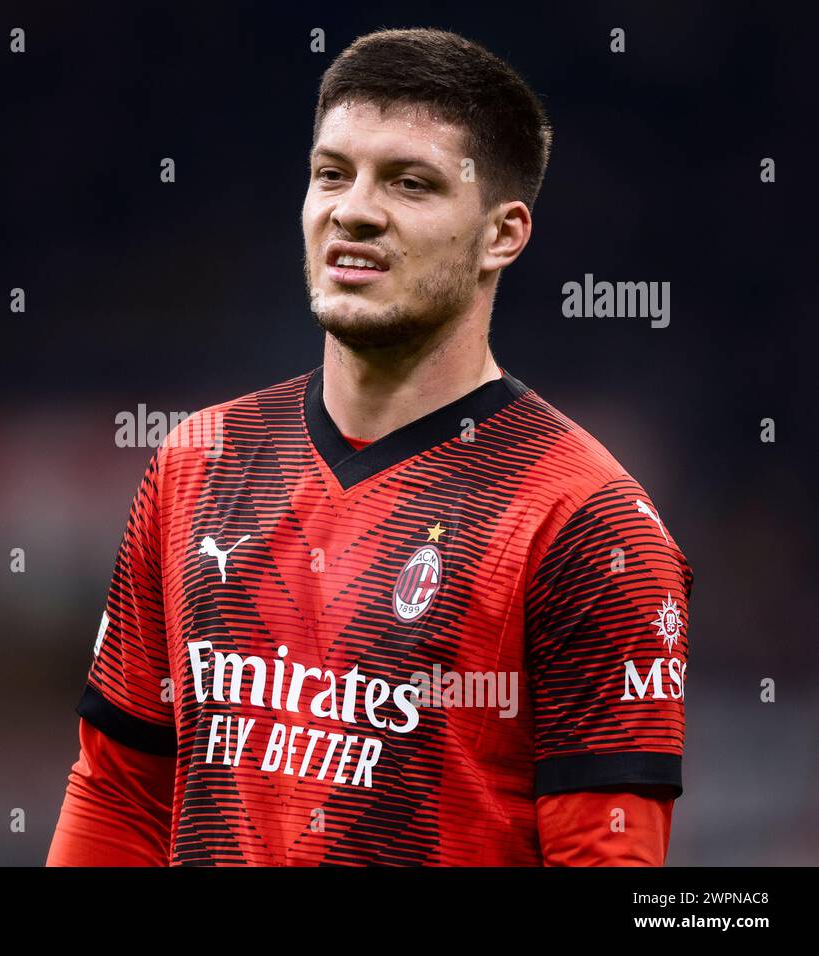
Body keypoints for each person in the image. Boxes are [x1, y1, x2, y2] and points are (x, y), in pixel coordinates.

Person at [47, 27, 692, 866]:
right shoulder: (197, 461)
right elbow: (119, 792)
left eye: (410, 182)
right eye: (331, 174)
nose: (353, 208)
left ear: (503, 234)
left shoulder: (586, 523)